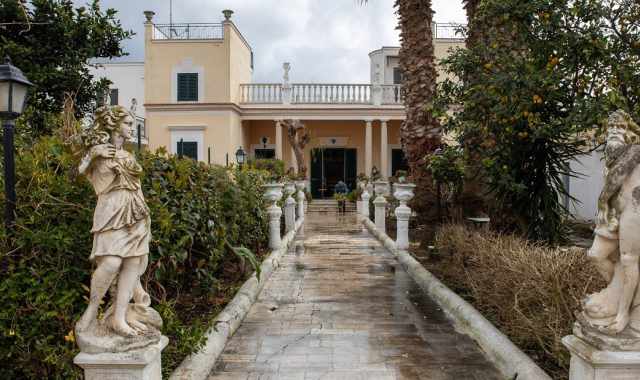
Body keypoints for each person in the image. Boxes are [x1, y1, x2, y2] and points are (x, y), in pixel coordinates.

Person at [76, 105, 152, 337]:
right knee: (110, 263)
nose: (131, 127)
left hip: (135, 213)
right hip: (110, 212)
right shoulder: (97, 151)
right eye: (128, 123)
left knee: (131, 263)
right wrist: (93, 154)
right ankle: (92, 308)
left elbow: (137, 188)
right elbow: (79, 173)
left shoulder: (128, 156)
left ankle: (119, 318)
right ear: (114, 124)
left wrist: (145, 221)